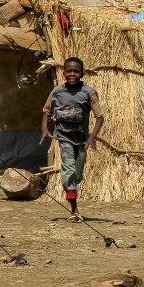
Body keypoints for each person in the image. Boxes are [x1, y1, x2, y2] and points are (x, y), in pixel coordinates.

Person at [40, 57, 104, 222]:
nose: (72, 74)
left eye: (76, 71)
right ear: (64, 73)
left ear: (82, 73)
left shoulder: (89, 93)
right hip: (64, 137)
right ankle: (74, 210)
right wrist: (45, 129)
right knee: (68, 170)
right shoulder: (57, 92)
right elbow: (47, 111)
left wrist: (92, 136)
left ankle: (72, 188)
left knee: (78, 173)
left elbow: (99, 117)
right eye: (69, 71)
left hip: (82, 139)